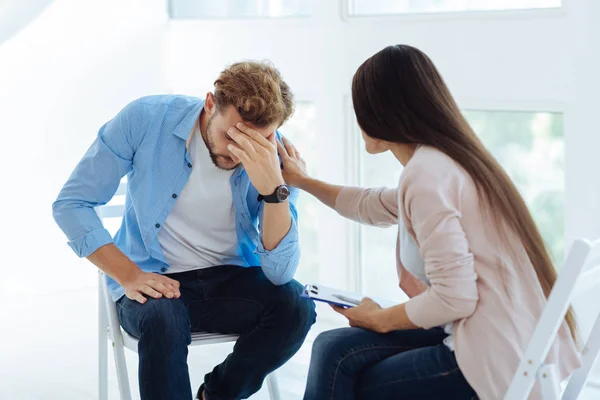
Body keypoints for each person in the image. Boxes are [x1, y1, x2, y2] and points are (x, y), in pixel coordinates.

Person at [276, 45, 580, 399]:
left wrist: (380, 318)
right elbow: (372, 204)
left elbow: (457, 298)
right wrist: (303, 181)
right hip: (496, 333)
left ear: (381, 112)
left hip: (485, 355)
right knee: (332, 347)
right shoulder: (445, 160)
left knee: (349, 377)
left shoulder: (427, 176)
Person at [52, 61, 316, 400]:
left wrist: (274, 190)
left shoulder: (275, 154)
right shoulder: (146, 119)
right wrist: (129, 275)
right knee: (163, 316)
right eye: (232, 135)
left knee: (296, 304)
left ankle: (215, 395)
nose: (241, 152)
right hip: (151, 278)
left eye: (261, 138)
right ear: (210, 104)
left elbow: (280, 275)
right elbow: (72, 203)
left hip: (231, 281)